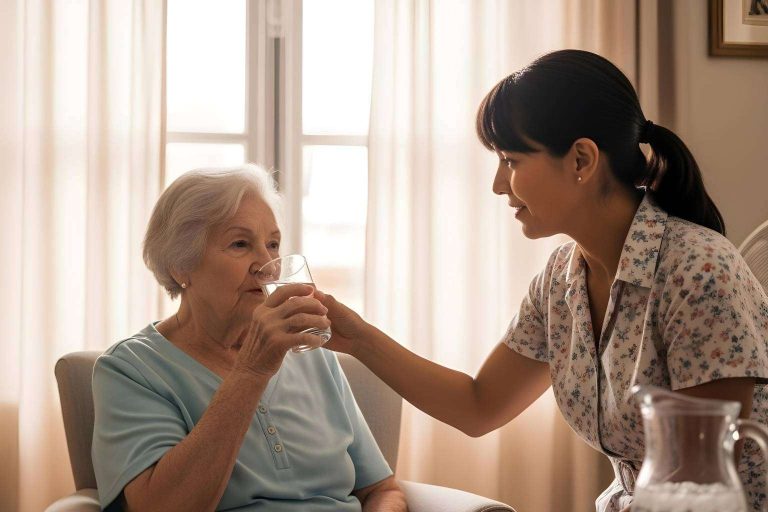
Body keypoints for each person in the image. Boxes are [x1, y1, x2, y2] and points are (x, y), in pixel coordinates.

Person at [318, 49, 768, 512]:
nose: (498, 184)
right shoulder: (560, 280)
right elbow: (479, 405)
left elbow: (701, 481)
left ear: (581, 160)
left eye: (510, 160)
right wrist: (358, 338)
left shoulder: (699, 269)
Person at [91, 165, 407, 511]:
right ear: (181, 266)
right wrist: (251, 372)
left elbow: (382, 489)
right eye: (240, 244)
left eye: (273, 244)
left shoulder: (312, 353)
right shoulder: (132, 369)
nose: (266, 263)